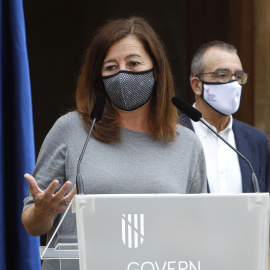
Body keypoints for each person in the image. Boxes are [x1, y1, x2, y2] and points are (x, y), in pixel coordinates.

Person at [22, 17, 207, 269]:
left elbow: (197, 230)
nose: (122, 74)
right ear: (99, 77)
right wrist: (43, 212)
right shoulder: (71, 129)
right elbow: (32, 225)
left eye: (133, 63)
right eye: (110, 67)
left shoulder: (187, 144)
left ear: (156, 71)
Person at [180, 40, 270, 193]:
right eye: (222, 75)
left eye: (239, 76)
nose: (234, 84)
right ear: (196, 85)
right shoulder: (173, 135)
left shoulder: (257, 141)